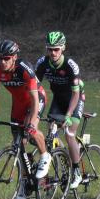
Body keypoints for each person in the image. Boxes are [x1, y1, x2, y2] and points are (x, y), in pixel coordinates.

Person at [0, 39, 51, 199]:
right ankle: (25, 183)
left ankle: (45, 155)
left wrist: (31, 122)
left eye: (6, 58)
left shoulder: (24, 69)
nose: (2, 61)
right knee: (18, 143)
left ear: (14, 57)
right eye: (0, 58)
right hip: (19, 103)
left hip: (36, 99)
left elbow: (35, 98)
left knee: (31, 130)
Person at [35, 31, 86, 190]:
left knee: (69, 133)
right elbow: (34, 87)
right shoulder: (42, 63)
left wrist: (69, 115)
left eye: (56, 49)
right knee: (51, 135)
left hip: (74, 99)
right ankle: (63, 156)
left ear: (63, 48)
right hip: (58, 99)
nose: (53, 53)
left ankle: (77, 171)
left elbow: (76, 93)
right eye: (50, 49)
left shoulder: (70, 65)